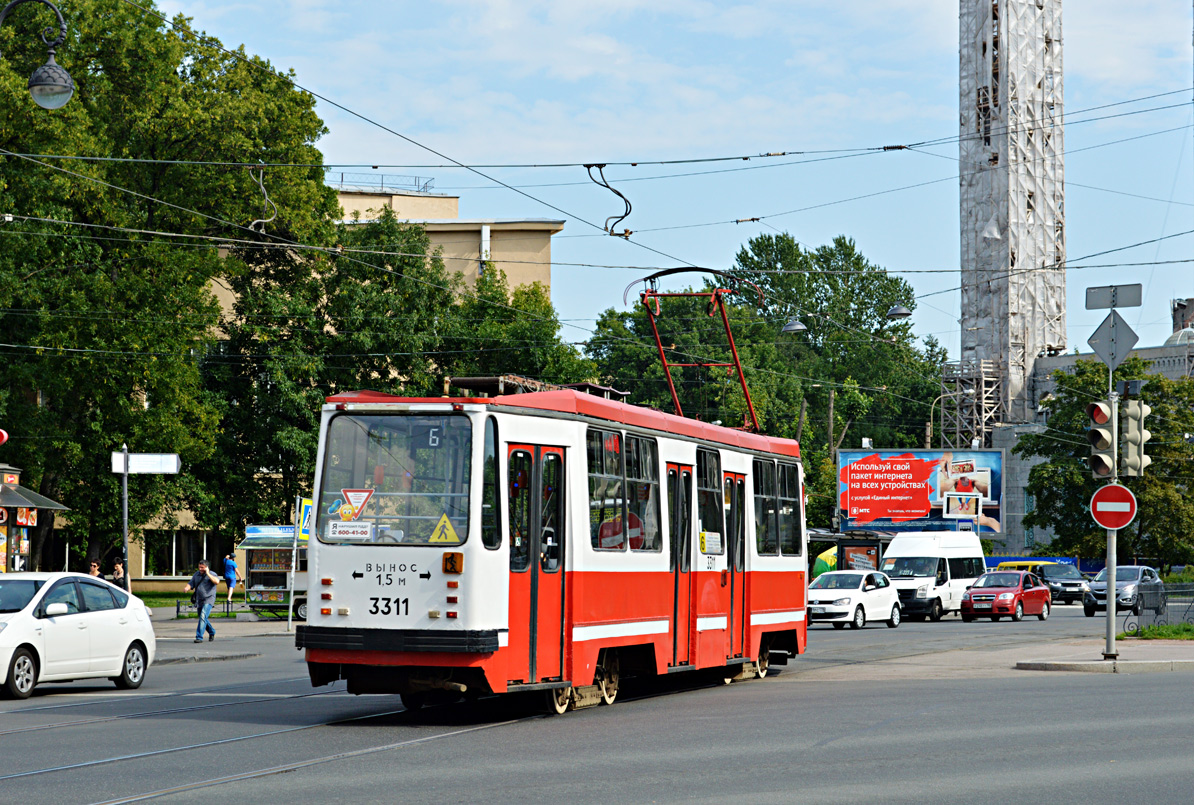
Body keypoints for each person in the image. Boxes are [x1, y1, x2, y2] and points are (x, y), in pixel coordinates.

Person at [183, 559, 220, 643]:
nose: (200, 569)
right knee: (202, 618)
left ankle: (199, 637)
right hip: (199, 599)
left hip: (209, 598)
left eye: (202, 567)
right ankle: (212, 631)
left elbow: (216, 582)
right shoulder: (196, 574)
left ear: (207, 567)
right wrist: (187, 588)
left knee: (203, 616)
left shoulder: (212, 574)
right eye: (199, 567)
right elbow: (191, 583)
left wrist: (207, 573)